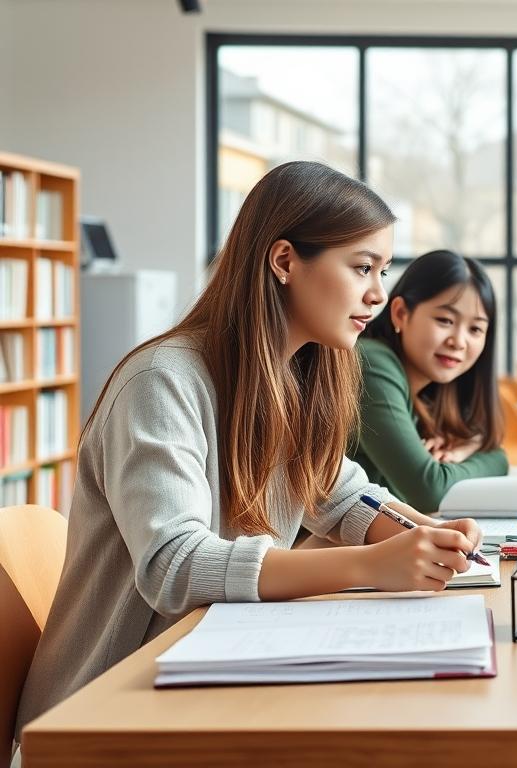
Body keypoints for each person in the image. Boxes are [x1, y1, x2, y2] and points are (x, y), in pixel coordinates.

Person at [15, 162, 483, 744]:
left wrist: (423, 532)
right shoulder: (163, 381)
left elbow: (341, 496)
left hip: (206, 675)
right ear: (284, 261)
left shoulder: (292, 377)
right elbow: (176, 565)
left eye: (383, 270)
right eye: (362, 267)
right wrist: (370, 565)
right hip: (104, 711)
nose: (377, 294)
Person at [351, 249, 507, 513]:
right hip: (306, 549)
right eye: (445, 320)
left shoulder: (433, 391)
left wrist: (466, 450)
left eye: (475, 329)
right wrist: (486, 457)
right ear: (400, 313)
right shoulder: (372, 363)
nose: (458, 341)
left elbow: (498, 459)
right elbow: (430, 490)